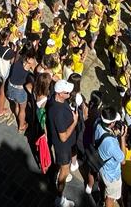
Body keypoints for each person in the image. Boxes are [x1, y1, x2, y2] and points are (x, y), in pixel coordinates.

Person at [49, 78, 80, 207]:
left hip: (62, 146)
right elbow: (63, 137)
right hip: (63, 147)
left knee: (62, 167)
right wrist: (74, 121)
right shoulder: (59, 113)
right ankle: (59, 198)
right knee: (65, 171)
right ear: (60, 94)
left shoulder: (56, 101)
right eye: (67, 93)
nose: (69, 94)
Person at [92, 108, 126, 207]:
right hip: (111, 174)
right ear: (111, 123)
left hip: (101, 166)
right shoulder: (111, 143)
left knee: (103, 186)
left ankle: (101, 200)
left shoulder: (97, 123)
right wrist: (122, 138)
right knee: (110, 197)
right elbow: (123, 160)